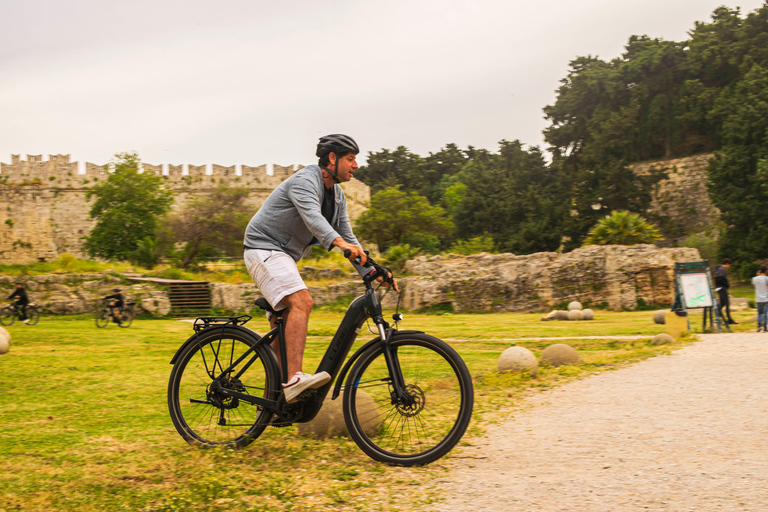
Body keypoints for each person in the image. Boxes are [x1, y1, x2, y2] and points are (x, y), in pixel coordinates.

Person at [243, 134, 396, 403]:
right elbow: (314, 219)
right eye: (351, 158)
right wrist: (338, 243)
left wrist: (372, 271)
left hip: (284, 257)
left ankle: (269, 408)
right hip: (263, 249)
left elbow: (347, 235)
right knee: (302, 302)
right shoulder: (304, 181)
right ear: (332, 158)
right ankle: (295, 380)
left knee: (280, 339)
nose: (356, 165)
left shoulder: (336, 195)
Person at [714, 258, 737, 325]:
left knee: (722, 303)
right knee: (727, 303)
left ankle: (717, 316)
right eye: (729, 265)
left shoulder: (719, 269)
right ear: (727, 264)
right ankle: (729, 319)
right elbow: (721, 279)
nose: (729, 266)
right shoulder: (721, 270)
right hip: (722, 288)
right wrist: (726, 285)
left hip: (719, 288)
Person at [753, 266, 768, 332]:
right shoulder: (766, 278)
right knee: (765, 313)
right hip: (766, 298)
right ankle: (765, 327)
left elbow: (754, 284)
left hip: (758, 298)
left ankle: (759, 326)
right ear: (766, 271)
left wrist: (757, 274)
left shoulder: (755, 279)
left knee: (759, 313)